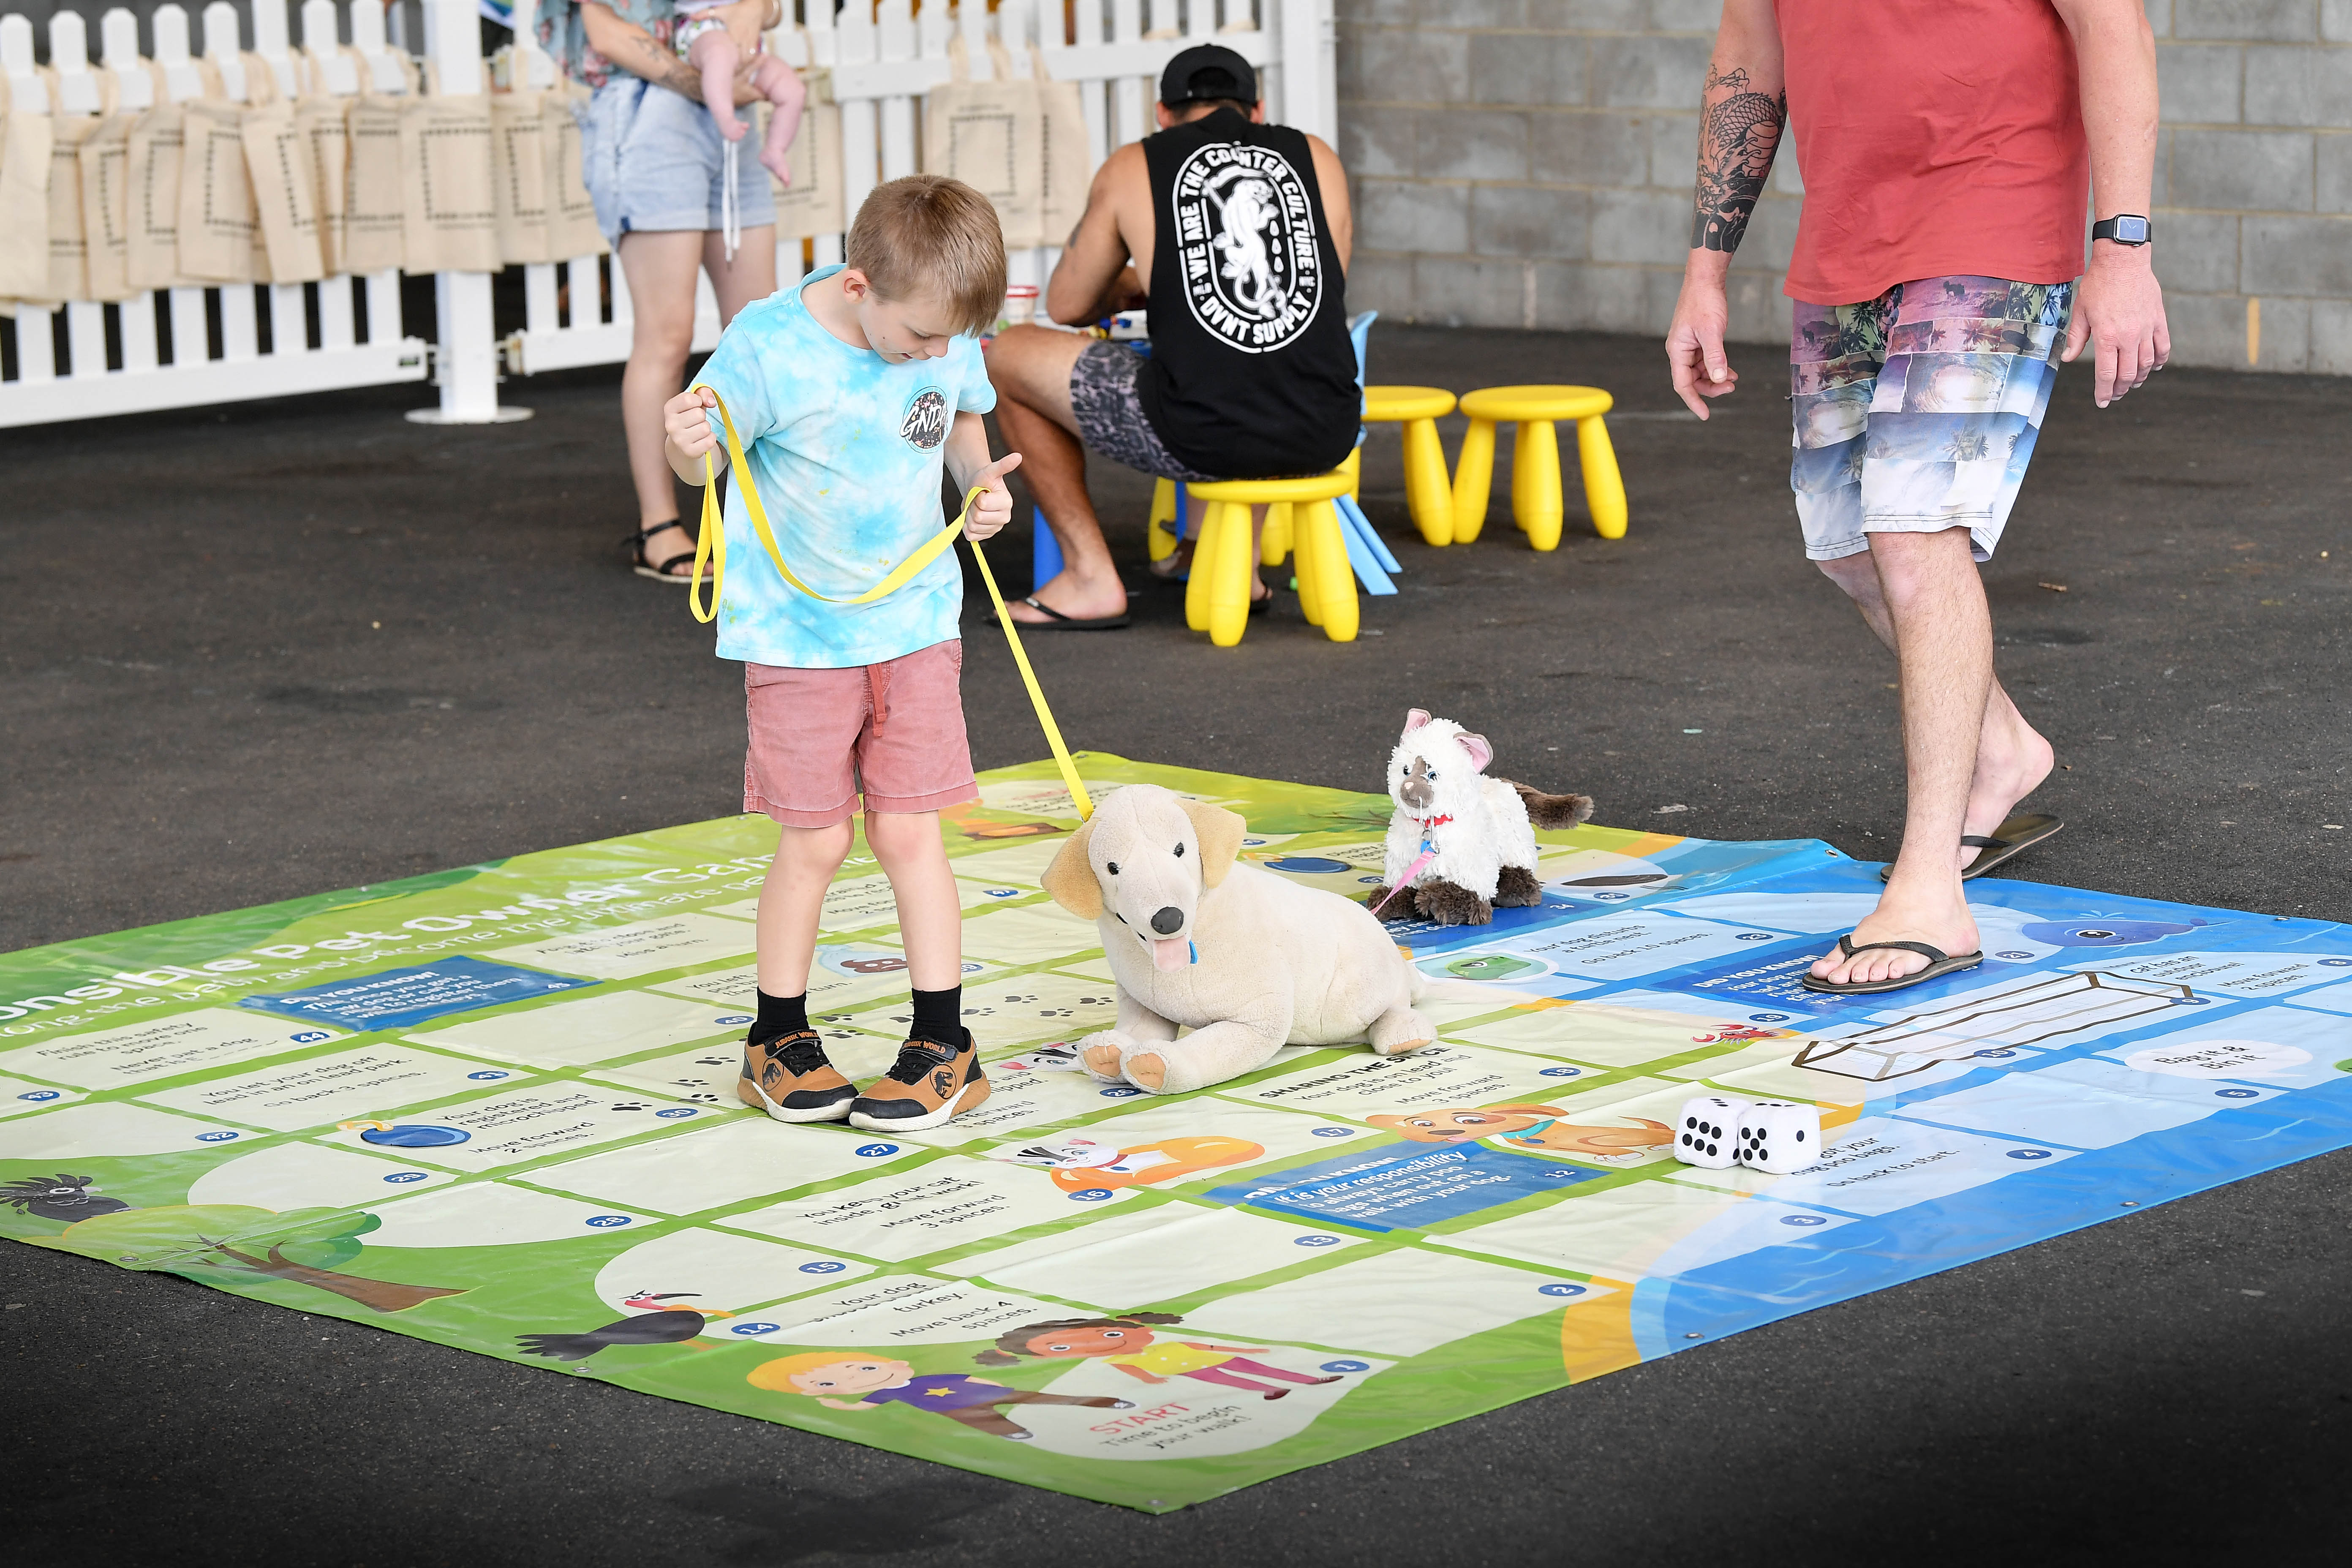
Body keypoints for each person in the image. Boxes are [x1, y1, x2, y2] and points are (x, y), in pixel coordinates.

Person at [1663, 0, 2169, 996]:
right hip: (1847, 235)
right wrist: (1704, 270)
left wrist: (2123, 251)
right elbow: (1746, 59)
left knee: (1912, 531)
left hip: (1995, 216)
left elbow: (2114, 27)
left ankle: (1931, 888)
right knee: (1847, 546)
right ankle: (2001, 750)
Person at [661, 176, 1024, 1132]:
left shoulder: (941, 328)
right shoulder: (770, 345)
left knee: (910, 832)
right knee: (814, 838)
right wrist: (683, 442)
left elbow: (959, 418)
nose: (935, 356)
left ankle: (945, 1044)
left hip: (914, 627)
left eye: (951, 341)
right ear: (859, 287)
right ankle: (776, 1039)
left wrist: (980, 488)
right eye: (918, 341)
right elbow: (699, 460)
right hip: (798, 636)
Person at [984, 43, 1359, 628]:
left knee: (1006, 357)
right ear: (1256, 110)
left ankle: (1089, 577)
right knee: (1253, 361)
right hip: (1327, 426)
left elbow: (1068, 304)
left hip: (1202, 433)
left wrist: (1134, 282)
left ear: (1162, 113)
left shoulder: (1137, 162)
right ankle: (1233, 567)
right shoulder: (1318, 156)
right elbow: (1311, 300)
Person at [537, 0, 794, 582]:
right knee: (667, 332)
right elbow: (607, 34)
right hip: (650, 113)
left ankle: (772, 518)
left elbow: (767, 11)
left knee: (760, 329)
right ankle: (658, 524)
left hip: (726, 117)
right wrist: (705, 81)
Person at [672, 0, 805, 183]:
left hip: (747, 39)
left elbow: (774, 10)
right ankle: (725, 116)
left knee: (793, 90)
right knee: (719, 55)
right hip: (702, 28)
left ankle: (775, 149)